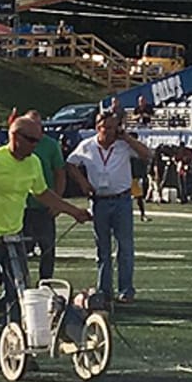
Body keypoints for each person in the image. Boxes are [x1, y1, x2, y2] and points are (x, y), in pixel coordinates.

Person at [0, 114, 92, 370]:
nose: (35, 145)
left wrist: (73, 211)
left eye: (38, 141)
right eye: (31, 140)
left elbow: (43, 193)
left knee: (19, 295)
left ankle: (20, 348)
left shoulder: (33, 163)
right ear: (14, 137)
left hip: (14, 236)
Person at [66, 110, 153, 305]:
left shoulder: (123, 145)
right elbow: (70, 164)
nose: (111, 132)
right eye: (107, 127)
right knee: (102, 249)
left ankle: (126, 290)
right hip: (99, 201)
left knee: (125, 247)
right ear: (98, 127)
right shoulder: (87, 146)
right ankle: (104, 290)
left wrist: (127, 138)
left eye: (114, 128)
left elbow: (147, 154)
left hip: (122, 199)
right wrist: (83, 182)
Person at [21, 110, 67, 281]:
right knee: (19, 251)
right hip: (21, 206)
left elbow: (60, 173)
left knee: (47, 248)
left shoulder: (50, 145)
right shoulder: (18, 144)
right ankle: (16, 286)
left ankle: (46, 283)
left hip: (44, 206)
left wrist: (57, 202)